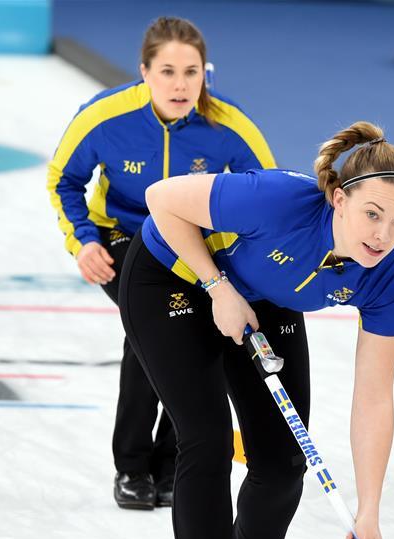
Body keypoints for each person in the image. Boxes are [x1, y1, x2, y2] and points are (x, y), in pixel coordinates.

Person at [118, 121, 394, 539]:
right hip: (174, 279)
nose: (384, 235)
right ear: (339, 198)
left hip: (264, 300)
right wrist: (216, 287)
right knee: (205, 443)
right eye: (373, 214)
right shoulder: (279, 199)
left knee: (283, 462)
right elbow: (161, 200)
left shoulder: (387, 279)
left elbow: (374, 396)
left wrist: (369, 510)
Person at [47, 16, 275, 509]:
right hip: (123, 238)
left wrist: (236, 255)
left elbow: (268, 192)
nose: (180, 84)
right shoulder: (105, 117)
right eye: (167, 71)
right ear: (144, 72)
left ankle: (171, 463)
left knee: (194, 334)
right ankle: (131, 467)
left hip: (192, 247)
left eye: (191, 72)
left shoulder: (228, 123)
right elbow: (63, 179)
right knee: (153, 331)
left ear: (205, 74)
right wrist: (83, 241)